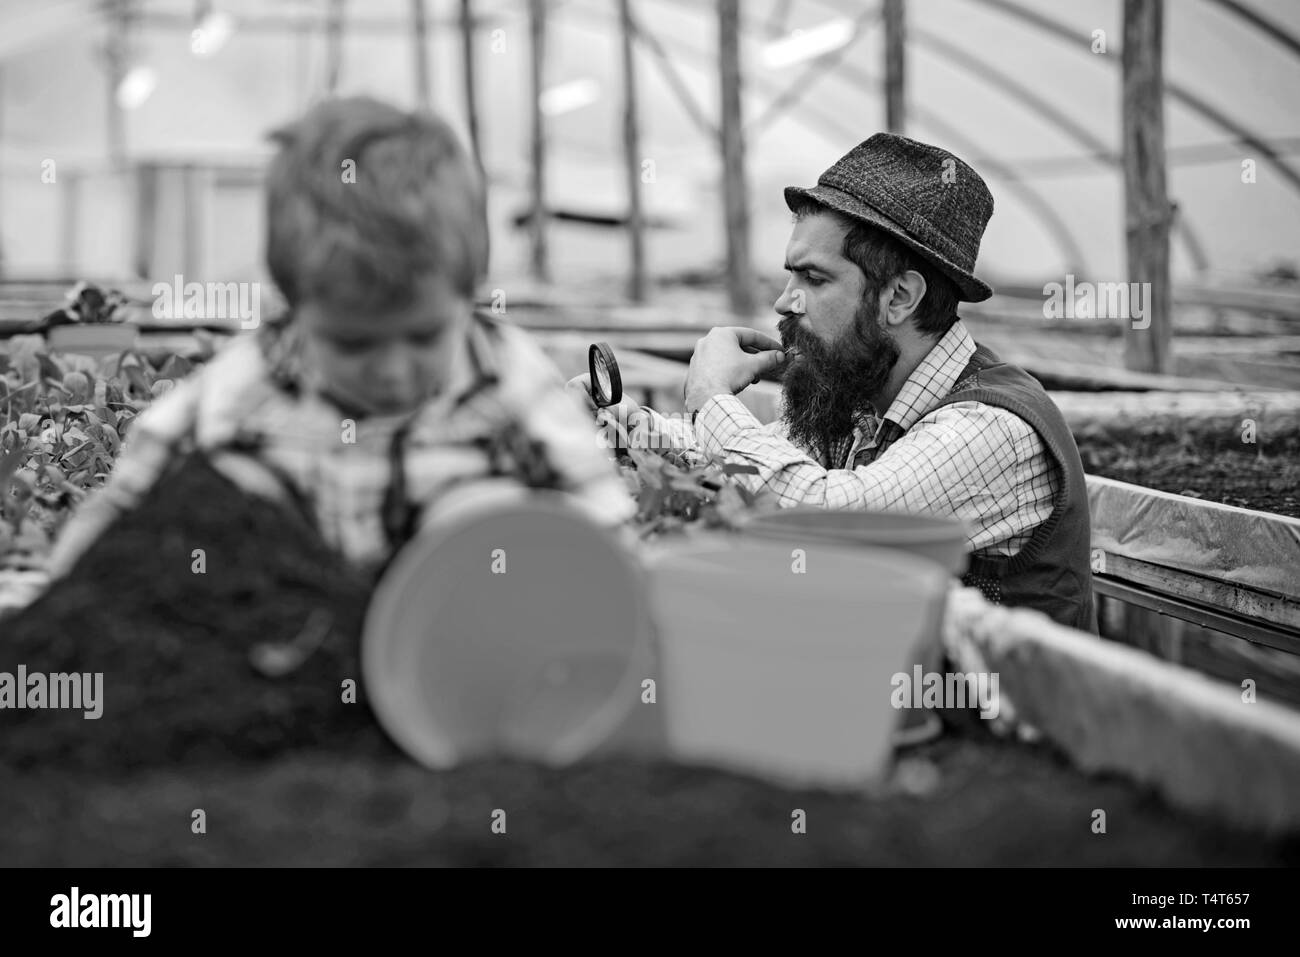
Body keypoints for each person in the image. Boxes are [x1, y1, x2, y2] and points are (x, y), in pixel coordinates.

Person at [46, 96, 634, 582]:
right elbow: (131, 497)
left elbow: (601, 514)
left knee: (483, 515)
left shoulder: (505, 374)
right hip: (298, 634)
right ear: (294, 311)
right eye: (354, 345)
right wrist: (67, 605)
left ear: (467, 293)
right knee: (229, 493)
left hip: (451, 651)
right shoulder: (249, 384)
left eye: (425, 336)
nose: (394, 370)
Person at [570, 133, 1096, 633]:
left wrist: (711, 399)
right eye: (790, 274)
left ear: (899, 297)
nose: (783, 301)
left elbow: (827, 521)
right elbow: (764, 462)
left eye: (814, 279)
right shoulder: (862, 396)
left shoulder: (992, 428)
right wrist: (633, 428)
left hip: (993, 721)